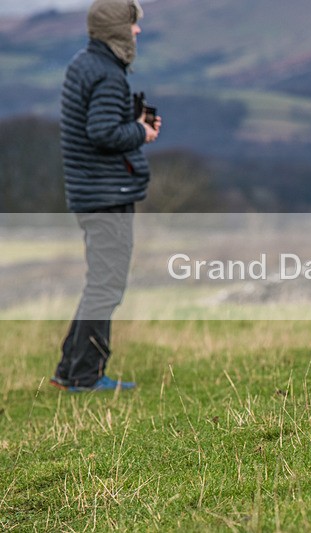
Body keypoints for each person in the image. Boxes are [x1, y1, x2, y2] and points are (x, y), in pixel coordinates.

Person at [50, 0, 161, 392]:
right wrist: (141, 132)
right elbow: (102, 134)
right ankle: (85, 375)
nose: (137, 31)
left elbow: (95, 125)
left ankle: (70, 371)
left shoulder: (84, 63)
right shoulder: (109, 74)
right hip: (106, 194)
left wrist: (129, 120)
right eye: (132, 24)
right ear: (117, 28)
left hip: (90, 191)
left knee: (100, 282)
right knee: (107, 285)